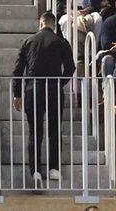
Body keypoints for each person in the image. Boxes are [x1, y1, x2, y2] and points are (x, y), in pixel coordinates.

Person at [11, 11, 75, 186]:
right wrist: (59, 83)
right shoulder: (61, 42)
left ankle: (36, 171)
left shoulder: (28, 41)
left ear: (40, 23)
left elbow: (17, 71)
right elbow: (70, 68)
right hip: (53, 89)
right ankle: (54, 168)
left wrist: (17, 93)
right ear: (53, 25)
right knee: (54, 129)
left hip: (33, 89)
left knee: (35, 131)